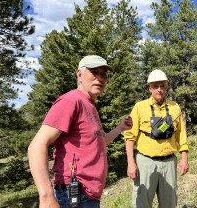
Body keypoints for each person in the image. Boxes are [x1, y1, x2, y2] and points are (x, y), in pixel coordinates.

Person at [28, 55, 133, 208]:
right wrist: (46, 196)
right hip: (74, 194)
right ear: (79, 75)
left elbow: (99, 142)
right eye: (94, 72)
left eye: (103, 74)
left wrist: (119, 128)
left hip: (88, 195)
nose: (99, 78)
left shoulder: (90, 105)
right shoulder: (71, 101)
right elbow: (37, 146)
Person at [124, 69, 189, 208]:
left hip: (169, 163)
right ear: (149, 88)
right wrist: (131, 162)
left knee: (169, 203)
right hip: (145, 163)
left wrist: (184, 158)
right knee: (142, 202)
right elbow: (129, 137)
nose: (159, 89)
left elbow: (181, 135)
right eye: (155, 86)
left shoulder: (174, 107)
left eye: (162, 86)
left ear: (166, 87)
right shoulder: (139, 107)